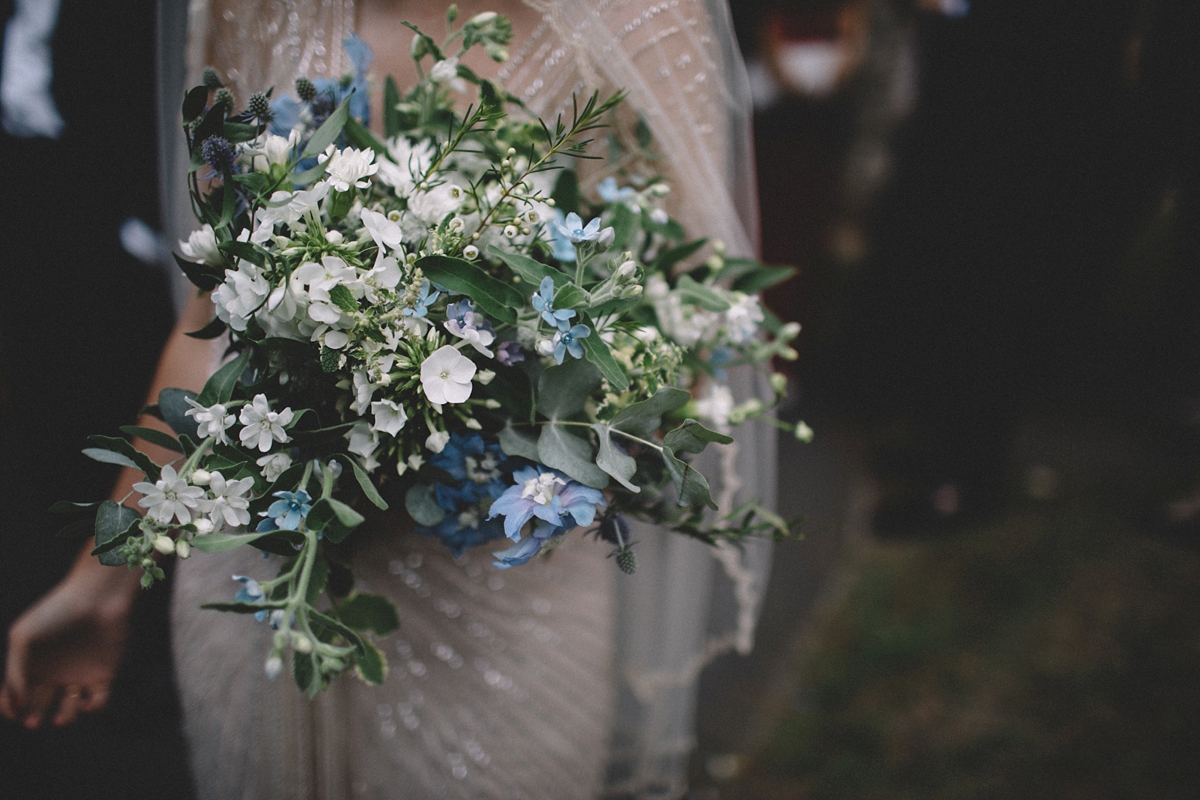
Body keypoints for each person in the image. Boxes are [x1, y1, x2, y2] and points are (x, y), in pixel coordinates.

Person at [4, 1, 776, 797]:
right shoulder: (248, 10)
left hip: (499, 581)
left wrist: (477, 395)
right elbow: (214, 314)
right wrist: (104, 579)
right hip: (264, 557)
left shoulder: (644, 18)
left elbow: (680, 325)